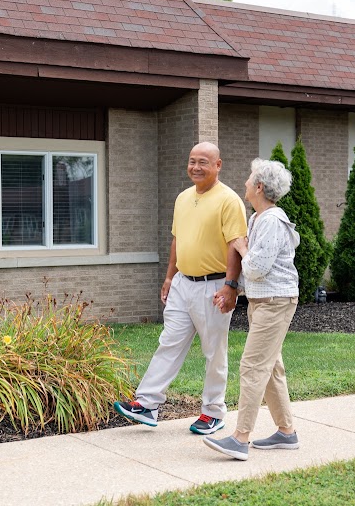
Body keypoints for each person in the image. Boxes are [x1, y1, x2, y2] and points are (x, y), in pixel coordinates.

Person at [114, 142, 247, 434]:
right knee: (169, 342)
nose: (196, 167)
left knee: (214, 351)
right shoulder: (183, 198)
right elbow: (177, 239)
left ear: (218, 165)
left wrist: (231, 286)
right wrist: (169, 277)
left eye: (203, 162)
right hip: (183, 283)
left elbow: (235, 245)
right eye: (192, 161)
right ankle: (147, 404)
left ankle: (213, 412)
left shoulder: (229, 200)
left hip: (214, 286)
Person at [203, 158, 300, 460]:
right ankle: (287, 433)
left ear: (259, 186)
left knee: (252, 366)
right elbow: (253, 271)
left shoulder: (271, 220)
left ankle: (240, 439)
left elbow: (257, 267)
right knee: (270, 369)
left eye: (249, 178)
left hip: (275, 302)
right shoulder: (258, 218)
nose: (244, 182)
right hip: (264, 301)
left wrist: (242, 246)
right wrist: (231, 288)